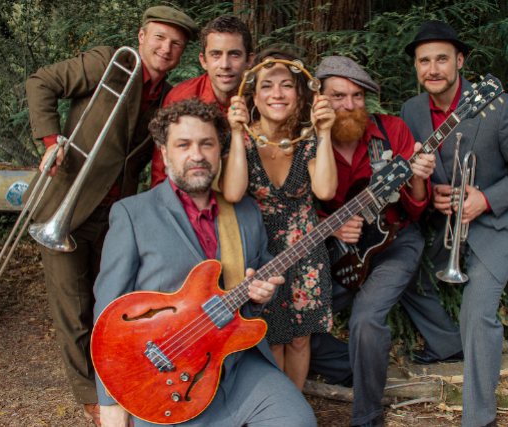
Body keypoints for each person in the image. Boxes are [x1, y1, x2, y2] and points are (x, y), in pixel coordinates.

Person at [22, 6, 198, 425]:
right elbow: (40, 82)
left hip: (117, 213)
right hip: (67, 203)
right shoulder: (108, 63)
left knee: (113, 303)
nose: (166, 48)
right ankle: (92, 396)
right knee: (74, 306)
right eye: (159, 37)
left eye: (176, 44)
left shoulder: (169, 96)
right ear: (141, 37)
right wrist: (51, 140)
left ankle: (118, 376)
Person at [94, 98, 317, 427]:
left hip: (237, 366)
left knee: (297, 422)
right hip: (164, 379)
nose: (197, 155)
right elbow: (106, 312)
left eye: (206, 144)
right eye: (183, 145)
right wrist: (111, 400)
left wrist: (262, 295)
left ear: (219, 150)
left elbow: (258, 281)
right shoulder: (133, 214)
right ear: (165, 153)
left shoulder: (246, 211)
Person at [399, 20, 508, 427]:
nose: (433, 69)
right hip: (444, 223)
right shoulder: (411, 111)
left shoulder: (500, 107)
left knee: (477, 310)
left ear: (460, 61)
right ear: (416, 66)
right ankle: (447, 345)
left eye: (442, 59)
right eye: (424, 61)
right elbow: (416, 171)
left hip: (497, 226)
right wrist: (430, 192)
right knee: (400, 271)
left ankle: (478, 417)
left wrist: (484, 199)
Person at [307, 56, 437, 427]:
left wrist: (418, 177)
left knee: (366, 321)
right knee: (298, 322)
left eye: (358, 96)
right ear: (320, 99)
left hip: (395, 243)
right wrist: (331, 226)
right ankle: (360, 367)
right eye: (338, 96)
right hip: (342, 251)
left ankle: (367, 417)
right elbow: (295, 210)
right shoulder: (309, 143)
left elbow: (415, 209)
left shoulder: (391, 131)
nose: (349, 105)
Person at [221, 49, 338, 391]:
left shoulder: (309, 138)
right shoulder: (240, 138)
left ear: (300, 94)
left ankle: (295, 404)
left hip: (305, 251)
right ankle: (277, 408)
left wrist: (325, 132)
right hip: (261, 254)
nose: (277, 93)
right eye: (267, 86)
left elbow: (326, 189)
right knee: (270, 337)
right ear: (253, 96)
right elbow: (233, 192)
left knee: (300, 340)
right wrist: (237, 132)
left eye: (287, 85)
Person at [151, 15, 254, 188]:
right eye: (215, 54)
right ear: (203, 61)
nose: (225, 64)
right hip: (192, 194)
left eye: (234, 54)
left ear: (249, 61)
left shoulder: (265, 99)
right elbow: (162, 170)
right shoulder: (181, 98)